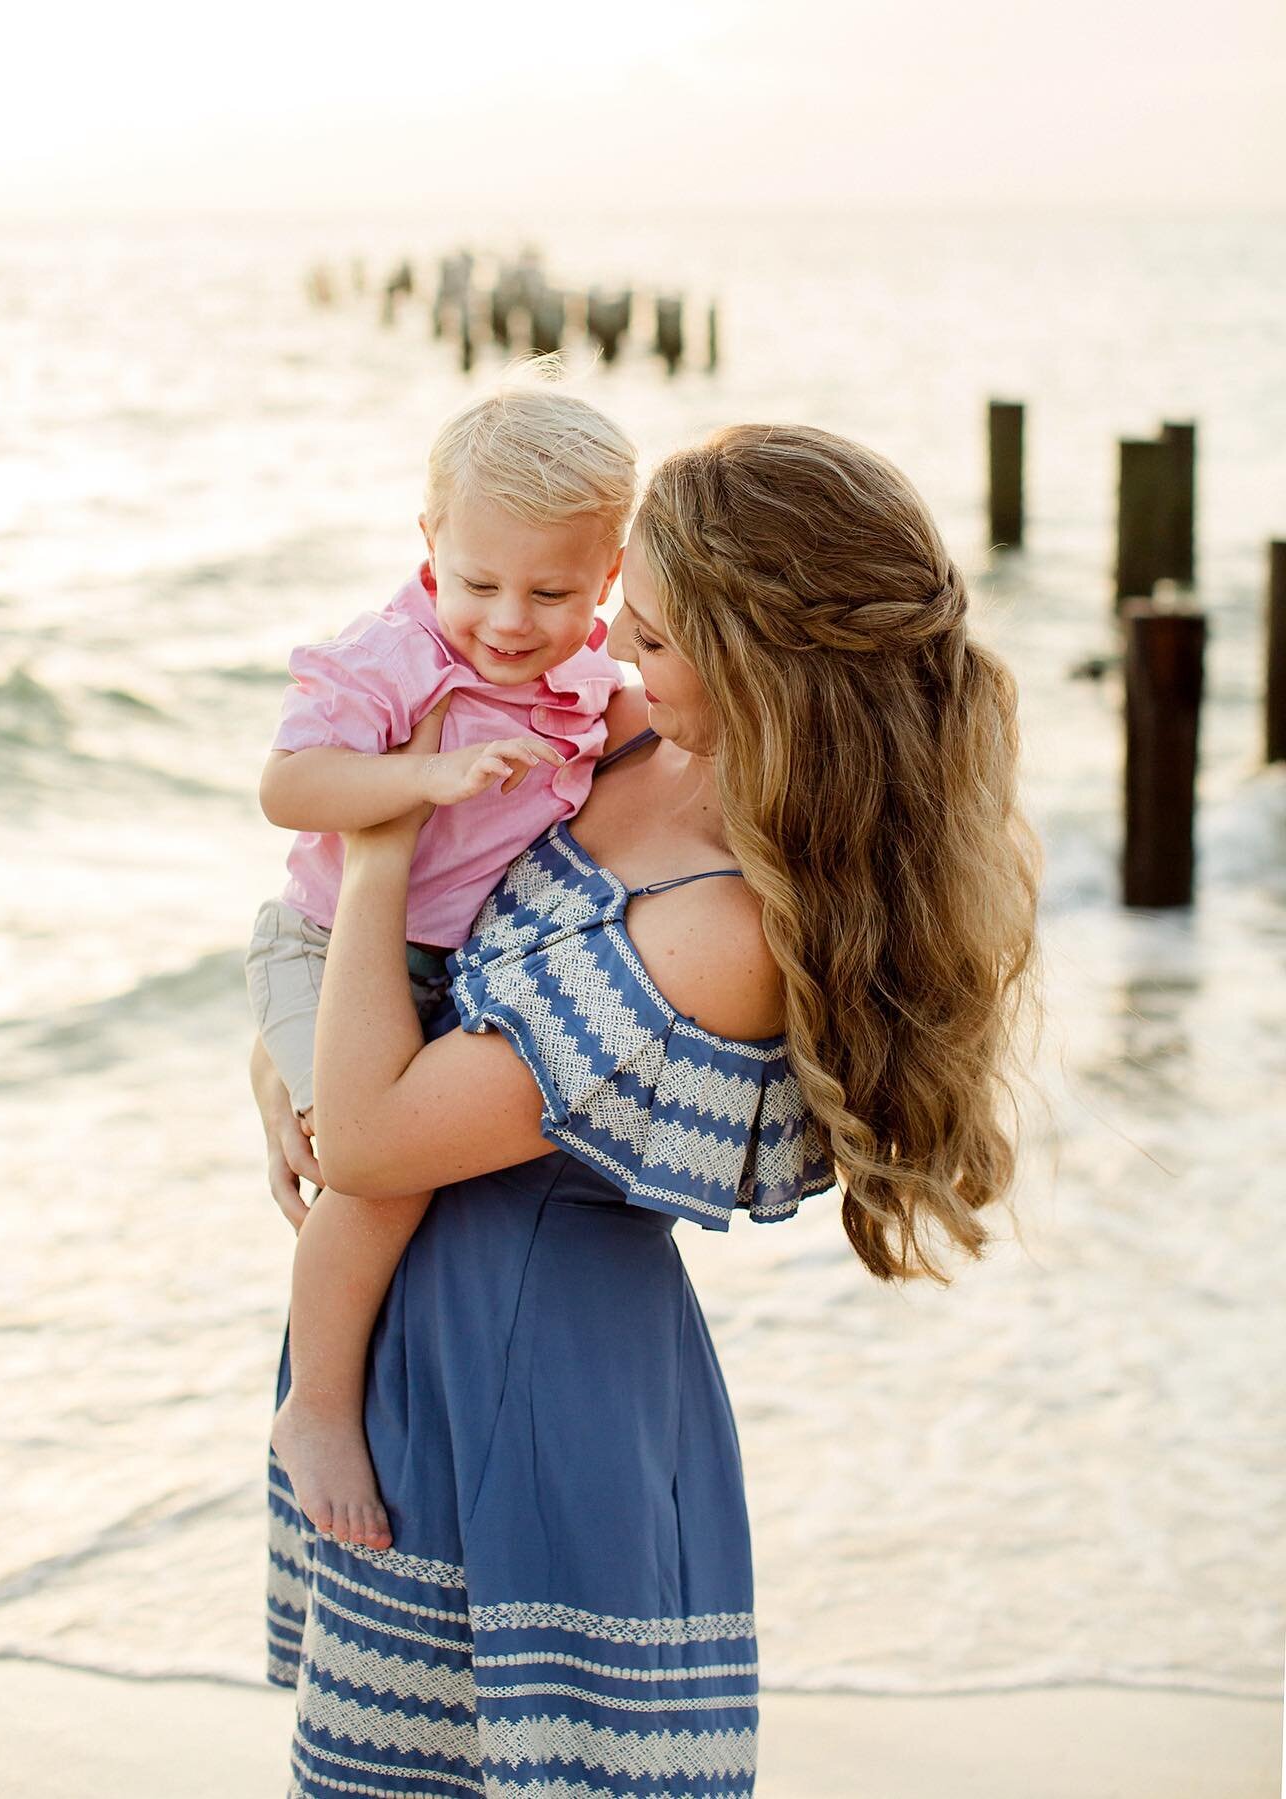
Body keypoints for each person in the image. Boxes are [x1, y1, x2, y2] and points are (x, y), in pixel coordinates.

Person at [251, 423, 1039, 1795]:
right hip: (411, 1334)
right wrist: (280, 1059)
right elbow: (402, 983)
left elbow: (378, 1123)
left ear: (756, 665)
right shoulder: (627, 741)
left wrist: (376, 851)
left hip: (537, 1378)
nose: (608, 635)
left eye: (657, 631)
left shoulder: (725, 920)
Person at [246, 380, 637, 1552]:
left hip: (434, 970)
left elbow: (629, 741)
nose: (509, 620)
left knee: (412, 1165)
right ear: (431, 545)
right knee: (381, 1173)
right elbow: (289, 787)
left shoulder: (586, 679)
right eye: (478, 582)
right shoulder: (396, 657)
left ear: (609, 576)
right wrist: (415, 783)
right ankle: (314, 1407)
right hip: (324, 944)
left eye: (551, 591)